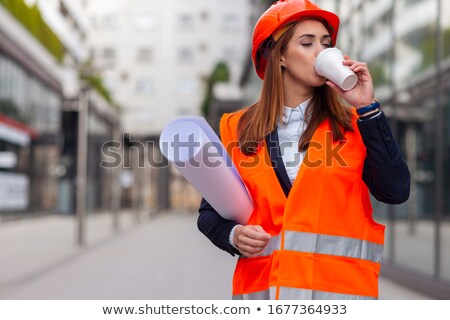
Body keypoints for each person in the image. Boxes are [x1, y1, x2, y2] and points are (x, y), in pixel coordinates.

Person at [197, 0, 410, 300]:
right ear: (280, 56)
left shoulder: (354, 125)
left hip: (340, 298)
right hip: (265, 295)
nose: (320, 52)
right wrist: (234, 236)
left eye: (326, 43)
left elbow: (396, 191)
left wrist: (367, 108)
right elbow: (208, 214)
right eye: (307, 43)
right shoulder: (236, 128)